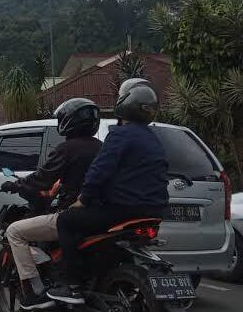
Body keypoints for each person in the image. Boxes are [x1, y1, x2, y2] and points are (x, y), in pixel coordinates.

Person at [47, 79, 170, 305]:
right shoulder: (154, 139)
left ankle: (71, 285)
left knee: (66, 221)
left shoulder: (120, 135)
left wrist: (83, 200)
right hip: (153, 211)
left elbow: (99, 171)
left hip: (122, 211)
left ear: (124, 103)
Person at [0, 98, 102, 310]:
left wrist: (17, 184)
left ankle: (36, 291)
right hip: (101, 215)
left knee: (14, 231)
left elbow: (43, 178)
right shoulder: (103, 147)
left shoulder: (66, 149)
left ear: (68, 122)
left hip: (72, 215)